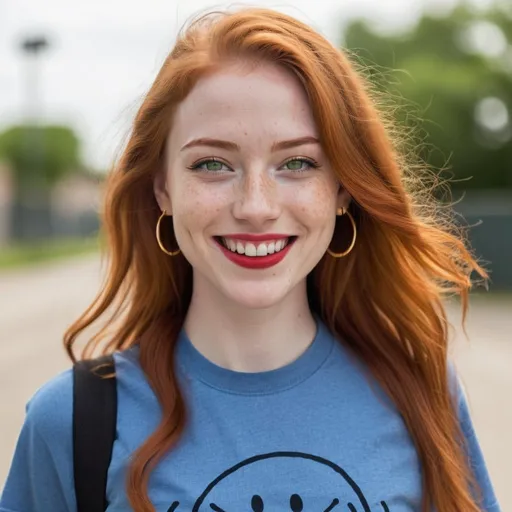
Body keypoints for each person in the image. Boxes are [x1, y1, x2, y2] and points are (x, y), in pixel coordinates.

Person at [0, 7, 501, 512]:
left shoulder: (419, 391)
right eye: (212, 164)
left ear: (343, 190)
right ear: (163, 189)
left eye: (298, 163)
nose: (256, 207)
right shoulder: (73, 423)